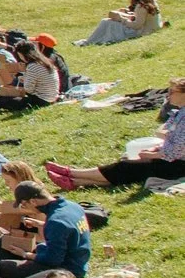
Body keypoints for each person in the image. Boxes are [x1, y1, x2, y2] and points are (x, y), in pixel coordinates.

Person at [50, 75, 185, 191]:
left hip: (179, 165)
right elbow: (173, 140)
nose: (168, 95)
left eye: (172, 92)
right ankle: (75, 181)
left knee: (128, 166)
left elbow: (177, 150)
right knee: (130, 166)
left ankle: (72, 173)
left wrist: (153, 154)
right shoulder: (179, 112)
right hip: (173, 158)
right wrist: (156, 149)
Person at [0, 181, 93, 278]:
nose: (25, 208)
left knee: (2, 267)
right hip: (76, 259)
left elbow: (53, 260)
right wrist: (42, 224)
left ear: (33, 201)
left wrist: (25, 254)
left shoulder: (56, 222)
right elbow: (67, 230)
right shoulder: (72, 206)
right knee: (1, 247)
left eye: (24, 205)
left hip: (67, 269)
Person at [82, 0, 162, 47]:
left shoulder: (141, 6)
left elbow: (137, 25)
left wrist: (121, 19)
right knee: (108, 21)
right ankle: (92, 40)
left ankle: (90, 41)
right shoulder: (152, 2)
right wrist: (129, 15)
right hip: (149, 29)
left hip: (141, 32)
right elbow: (142, 19)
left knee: (106, 22)